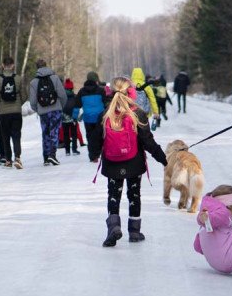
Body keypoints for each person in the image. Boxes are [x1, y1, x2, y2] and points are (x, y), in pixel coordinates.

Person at [88, 77, 167, 247]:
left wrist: (93, 154)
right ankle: (135, 232)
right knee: (134, 194)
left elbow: (95, 138)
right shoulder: (137, 113)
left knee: (113, 195)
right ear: (131, 92)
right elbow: (148, 140)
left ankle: (114, 228)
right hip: (134, 161)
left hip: (112, 162)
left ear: (110, 92)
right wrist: (162, 158)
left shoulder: (106, 113)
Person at [28, 59, 67, 166]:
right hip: (55, 110)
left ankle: (46, 157)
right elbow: (63, 95)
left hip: (43, 111)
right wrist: (60, 106)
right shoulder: (55, 78)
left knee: (45, 133)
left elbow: (32, 102)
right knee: (54, 132)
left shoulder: (33, 82)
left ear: (37, 68)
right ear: (46, 66)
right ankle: (52, 155)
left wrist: (39, 110)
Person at [0, 56, 24, 169]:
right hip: (16, 112)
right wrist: (18, 105)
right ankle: (18, 158)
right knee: (16, 135)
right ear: (13, 65)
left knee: (5, 136)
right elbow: (23, 95)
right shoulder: (18, 78)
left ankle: (8, 160)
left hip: (3, 113)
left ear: (2, 65)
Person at [76, 71, 107, 163]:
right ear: (96, 80)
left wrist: (75, 117)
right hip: (100, 118)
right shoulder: (101, 90)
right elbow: (106, 104)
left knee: (90, 137)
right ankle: (102, 153)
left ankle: (93, 157)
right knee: (102, 135)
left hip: (88, 118)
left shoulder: (82, 91)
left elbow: (77, 104)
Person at [61, 78, 80, 155]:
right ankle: (74, 150)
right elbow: (77, 107)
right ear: (72, 87)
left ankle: (67, 151)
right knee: (74, 134)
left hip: (64, 119)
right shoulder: (75, 96)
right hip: (73, 119)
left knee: (66, 135)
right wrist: (75, 117)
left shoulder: (61, 97)